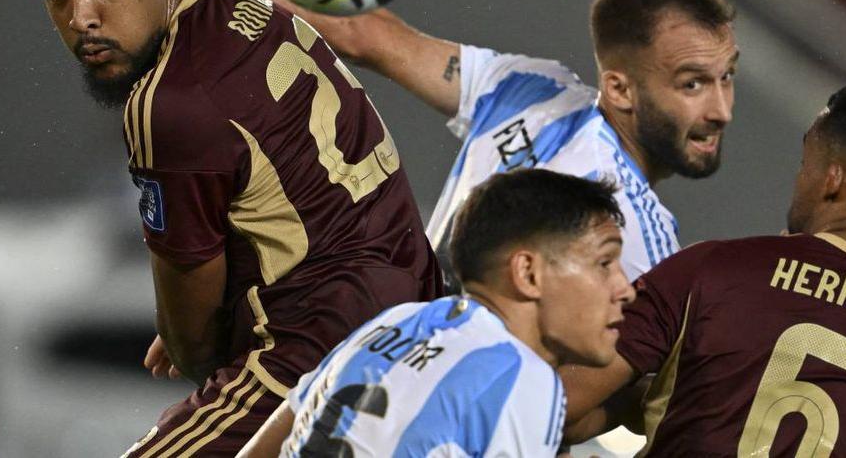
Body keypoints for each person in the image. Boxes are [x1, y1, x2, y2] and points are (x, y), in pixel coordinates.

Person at [30, 0, 442, 457]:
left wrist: (195, 334)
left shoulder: (168, 103)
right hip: (417, 318)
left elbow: (192, 340)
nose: (82, 17)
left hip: (314, 359)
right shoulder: (244, 9)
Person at [154, 0, 740, 289]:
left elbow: (363, 33)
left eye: (727, 77)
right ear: (620, 87)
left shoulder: (530, 91)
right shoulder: (646, 241)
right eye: (693, 84)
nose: (721, 110)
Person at [560, 80, 846, 456]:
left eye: (805, 164)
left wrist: (638, 403)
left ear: (833, 180)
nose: (798, 181)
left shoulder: (715, 271)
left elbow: (557, 407)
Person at [234, 168, 635, 457]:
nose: (625, 289)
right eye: (604, 264)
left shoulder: (395, 322)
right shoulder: (522, 378)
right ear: (528, 273)